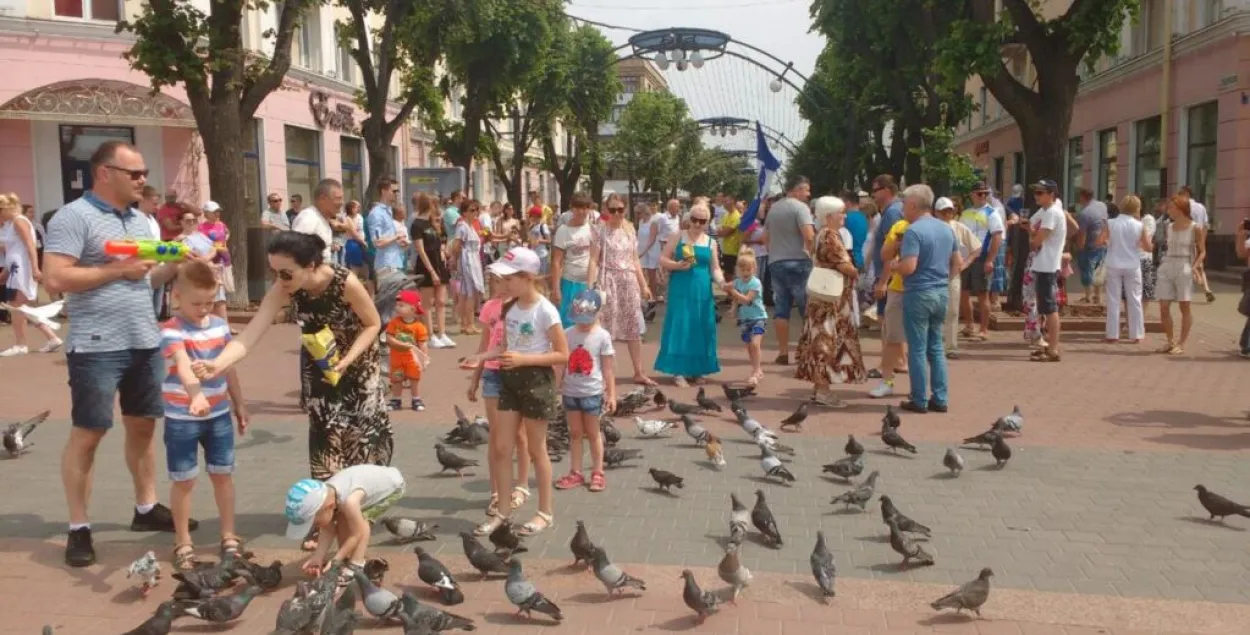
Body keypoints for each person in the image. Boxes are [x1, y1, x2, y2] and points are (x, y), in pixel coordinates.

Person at [192, 231, 392, 551]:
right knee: (325, 446)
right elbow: (252, 334)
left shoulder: (345, 282)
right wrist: (217, 364)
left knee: (361, 447)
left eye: (286, 273)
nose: (279, 280)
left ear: (310, 266)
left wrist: (348, 360)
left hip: (359, 371)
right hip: (321, 373)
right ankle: (323, 519)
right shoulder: (285, 289)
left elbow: (373, 324)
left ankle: (354, 514)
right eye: (274, 272)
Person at [43, 140, 186, 567]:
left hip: (144, 339)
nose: (143, 179)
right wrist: (117, 270)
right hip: (96, 345)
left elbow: (148, 280)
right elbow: (54, 278)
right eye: (135, 173)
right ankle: (79, 527)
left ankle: (146, 508)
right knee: (89, 433)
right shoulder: (74, 217)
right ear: (104, 173)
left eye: (144, 172)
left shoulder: (143, 222)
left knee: (143, 428)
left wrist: (180, 260)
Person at [159, 260, 248, 570]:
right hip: (182, 418)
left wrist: (239, 402)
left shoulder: (220, 326)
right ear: (177, 296)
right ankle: (182, 541)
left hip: (219, 414)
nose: (203, 309)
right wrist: (195, 396)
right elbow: (182, 364)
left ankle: (228, 535)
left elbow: (228, 366)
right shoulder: (171, 330)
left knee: (223, 475)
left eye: (209, 302)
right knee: (184, 480)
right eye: (197, 303)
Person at [476, 247, 565, 536]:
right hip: (509, 378)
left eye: (508, 279)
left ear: (527, 278)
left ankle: (545, 512)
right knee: (502, 447)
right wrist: (480, 358)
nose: (502, 285)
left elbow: (563, 354)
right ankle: (502, 511)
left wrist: (525, 359)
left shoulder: (545, 310)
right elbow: (505, 345)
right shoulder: (508, 307)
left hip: (537, 381)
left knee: (537, 449)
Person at [467, 272, 531, 535]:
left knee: (519, 434)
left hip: (518, 371)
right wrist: (475, 378)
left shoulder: (524, 306)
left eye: (505, 281)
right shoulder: (490, 307)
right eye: (495, 281)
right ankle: (496, 491)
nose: (501, 287)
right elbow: (485, 344)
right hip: (493, 372)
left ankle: (522, 485)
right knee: (496, 435)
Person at [793, 197, 865, 407]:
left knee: (819, 341)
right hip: (830, 302)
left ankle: (819, 388)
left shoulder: (821, 234)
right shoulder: (830, 236)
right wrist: (856, 270)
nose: (844, 216)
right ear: (828, 216)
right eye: (840, 213)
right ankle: (823, 390)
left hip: (823, 299)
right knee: (826, 343)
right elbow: (844, 265)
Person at [896, 185, 961, 413]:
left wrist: (896, 266)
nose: (902, 208)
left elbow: (909, 266)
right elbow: (957, 262)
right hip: (940, 291)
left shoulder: (914, 232)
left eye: (904, 203)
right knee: (936, 346)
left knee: (917, 347)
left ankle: (919, 398)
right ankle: (940, 398)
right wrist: (944, 279)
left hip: (918, 292)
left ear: (914, 205)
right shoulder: (946, 229)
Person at [284, 464, 406, 584]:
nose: (313, 526)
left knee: (361, 521)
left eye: (313, 522)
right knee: (344, 516)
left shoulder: (349, 502)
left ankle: (357, 564)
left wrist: (336, 559)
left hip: (393, 486)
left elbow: (356, 534)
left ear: (329, 507)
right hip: (361, 485)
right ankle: (347, 557)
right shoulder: (326, 496)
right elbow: (327, 530)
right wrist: (318, 557)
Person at [554, 289, 616, 493]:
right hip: (571, 392)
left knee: (593, 433)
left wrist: (612, 394)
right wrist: (556, 385)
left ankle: (598, 471)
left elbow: (607, 368)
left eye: (587, 319)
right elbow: (562, 363)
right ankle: (576, 472)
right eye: (579, 319)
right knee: (574, 433)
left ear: (598, 313)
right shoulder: (568, 333)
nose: (583, 323)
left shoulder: (602, 336)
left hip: (592, 392)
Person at [655, 204, 724, 386]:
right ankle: (677, 370)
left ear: (707, 222)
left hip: (702, 290)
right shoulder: (678, 236)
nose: (697, 224)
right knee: (680, 325)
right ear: (688, 218)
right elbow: (662, 258)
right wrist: (677, 265)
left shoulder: (711, 242)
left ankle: (697, 369)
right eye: (694, 219)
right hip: (681, 288)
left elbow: (715, 267)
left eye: (702, 221)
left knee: (701, 327)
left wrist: (723, 283)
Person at [594, 193, 653, 385]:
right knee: (606, 329)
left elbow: (635, 259)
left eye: (620, 209)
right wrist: (590, 285)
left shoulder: (630, 230)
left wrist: (644, 285)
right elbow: (593, 260)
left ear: (625, 209)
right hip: (608, 280)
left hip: (628, 282)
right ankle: (606, 373)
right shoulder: (599, 231)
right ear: (605, 210)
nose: (617, 213)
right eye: (612, 210)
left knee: (633, 327)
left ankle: (639, 371)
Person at [0, 193, 62, 356]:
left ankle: (21, 344)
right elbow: (11, 250)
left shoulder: (19, 221)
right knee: (20, 306)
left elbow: (30, 245)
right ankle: (51, 337)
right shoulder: (8, 224)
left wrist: (35, 268)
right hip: (14, 267)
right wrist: (6, 271)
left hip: (22, 268)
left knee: (17, 304)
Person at [765, 175, 815, 365]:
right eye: (806, 190)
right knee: (806, 309)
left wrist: (774, 253)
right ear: (797, 189)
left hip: (776, 262)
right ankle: (808, 350)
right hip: (799, 262)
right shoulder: (801, 208)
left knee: (781, 308)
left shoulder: (774, 208)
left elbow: (765, 238)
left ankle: (783, 352)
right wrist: (815, 257)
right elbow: (809, 237)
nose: (808, 194)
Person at [869, 204, 911, 399]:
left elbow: (886, 257)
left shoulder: (900, 226)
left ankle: (887, 381)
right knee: (926, 343)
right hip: (925, 290)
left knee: (891, 338)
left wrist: (883, 282)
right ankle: (926, 390)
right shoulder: (940, 227)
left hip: (901, 289)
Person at [1156, 195, 1205, 355]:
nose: (1168, 210)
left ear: (1181, 209)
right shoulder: (1168, 226)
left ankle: (1181, 343)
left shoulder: (1195, 227)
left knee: (1185, 305)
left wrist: (1195, 267)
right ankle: (1170, 341)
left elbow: (1202, 251)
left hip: (1184, 264)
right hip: (1167, 263)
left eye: (1171, 207)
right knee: (1163, 306)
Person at [1098, 196, 1150, 344]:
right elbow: (1148, 247)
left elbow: (1100, 241)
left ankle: (1112, 334)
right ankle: (1137, 334)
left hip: (1113, 263)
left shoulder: (1111, 223)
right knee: (1135, 299)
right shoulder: (1139, 225)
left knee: (1113, 300)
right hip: (1132, 264)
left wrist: (1109, 243)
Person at [958, 182, 1005, 341]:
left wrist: (990, 259)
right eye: (979, 193)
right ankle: (969, 325)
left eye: (985, 193)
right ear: (972, 194)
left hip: (982, 257)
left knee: (982, 294)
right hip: (966, 258)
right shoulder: (965, 214)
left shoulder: (992, 213)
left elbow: (997, 236)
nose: (983, 196)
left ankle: (984, 329)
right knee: (963, 293)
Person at [1027, 179, 1068, 362]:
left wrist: (1032, 235)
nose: (1036, 195)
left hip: (1047, 265)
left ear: (1051, 194)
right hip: (1043, 264)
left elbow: (1037, 240)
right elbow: (1031, 224)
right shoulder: (1045, 211)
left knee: (1050, 308)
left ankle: (1053, 349)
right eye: (1036, 192)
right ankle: (1049, 346)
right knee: (1045, 307)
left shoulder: (1052, 213)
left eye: (1041, 192)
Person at [936, 197, 981, 360]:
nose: (947, 214)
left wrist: (966, 263)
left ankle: (951, 346)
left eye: (950, 211)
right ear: (936, 213)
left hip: (953, 274)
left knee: (953, 310)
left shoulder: (959, 228)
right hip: (933, 274)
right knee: (935, 310)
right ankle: (936, 344)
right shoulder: (931, 228)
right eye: (944, 211)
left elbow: (976, 247)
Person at [410, 193, 454, 348]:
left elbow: (441, 239)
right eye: (434, 204)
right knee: (428, 303)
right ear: (427, 205)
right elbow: (420, 250)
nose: (436, 206)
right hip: (425, 265)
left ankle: (442, 333)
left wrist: (443, 250)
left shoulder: (433, 222)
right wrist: (432, 271)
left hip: (439, 263)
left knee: (441, 301)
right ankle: (430, 335)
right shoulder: (417, 224)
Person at [551, 193, 597, 328]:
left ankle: (585, 349)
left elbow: (596, 258)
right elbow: (556, 261)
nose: (582, 212)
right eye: (578, 208)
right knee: (569, 323)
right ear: (572, 209)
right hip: (570, 282)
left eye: (586, 208)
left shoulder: (593, 229)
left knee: (587, 324)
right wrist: (556, 288)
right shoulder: (563, 231)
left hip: (589, 283)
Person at [724, 249, 768, 386]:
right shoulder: (737, 282)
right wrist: (733, 310)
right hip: (745, 319)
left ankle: (757, 370)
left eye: (748, 270)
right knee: (749, 346)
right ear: (738, 269)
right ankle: (756, 368)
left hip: (758, 317)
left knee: (755, 344)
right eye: (742, 270)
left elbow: (746, 300)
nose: (745, 273)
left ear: (754, 269)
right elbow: (736, 300)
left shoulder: (755, 283)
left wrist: (732, 291)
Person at [869, 174, 905, 325]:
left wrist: (883, 281)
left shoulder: (893, 213)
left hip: (890, 276)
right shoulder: (890, 211)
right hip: (890, 274)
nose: (873, 194)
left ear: (887, 190)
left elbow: (893, 249)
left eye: (876, 190)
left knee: (888, 323)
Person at [385, 289, 429, 411]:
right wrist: (399, 344)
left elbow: (423, 343)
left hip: (412, 360)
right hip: (397, 359)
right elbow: (389, 337)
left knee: (414, 379)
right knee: (396, 379)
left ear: (413, 309)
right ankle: (396, 399)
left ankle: (416, 398)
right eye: (397, 305)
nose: (397, 308)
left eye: (402, 305)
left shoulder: (419, 327)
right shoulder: (394, 323)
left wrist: (424, 358)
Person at [448, 200, 486, 334]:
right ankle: (469, 324)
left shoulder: (471, 226)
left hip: (474, 258)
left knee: (467, 292)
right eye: (471, 210)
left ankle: (465, 323)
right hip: (467, 260)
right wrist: (454, 260)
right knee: (470, 292)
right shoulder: (462, 226)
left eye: (476, 210)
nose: (475, 212)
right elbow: (457, 244)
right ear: (464, 212)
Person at [1178, 185, 1216, 303]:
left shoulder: (1184, 207)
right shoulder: (1201, 207)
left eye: (1181, 193)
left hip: (1186, 238)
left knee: (1185, 265)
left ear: (1187, 194)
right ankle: (1207, 289)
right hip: (1199, 239)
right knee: (1199, 266)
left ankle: (1185, 290)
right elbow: (1205, 225)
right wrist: (1202, 241)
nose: (1179, 196)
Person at [1074, 187, 1109, 305]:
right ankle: (1098, 296)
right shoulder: (1102, 205)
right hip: (1103, 243)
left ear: (1083, 197)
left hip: (1090, 246)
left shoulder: (1085, 213)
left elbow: (1082, 234)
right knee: (1098, 270)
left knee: (1087, 270)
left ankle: (1088, 296)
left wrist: (1080, 247)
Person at [842, 190, 870, 269]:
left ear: (848, 203)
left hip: (849, 259)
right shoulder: (864, 218)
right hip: (860, 258)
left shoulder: (845, 218)